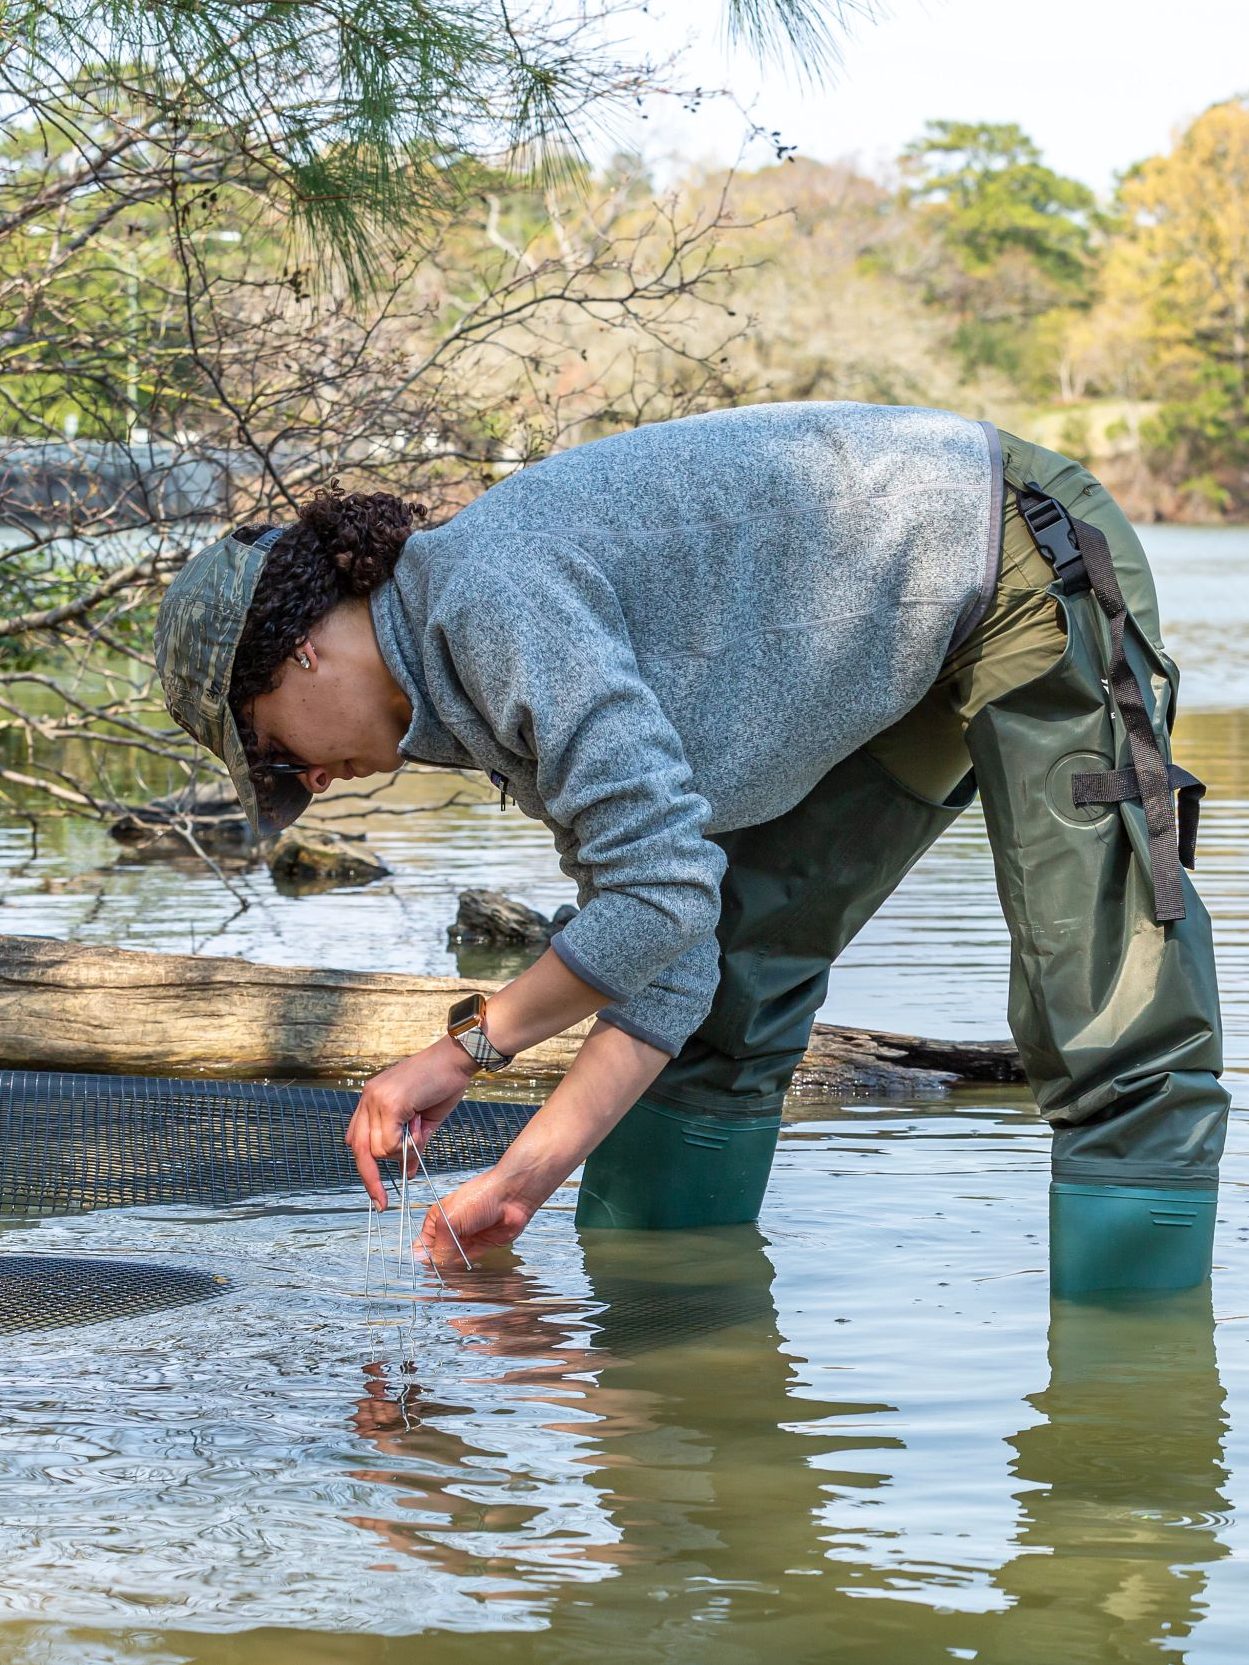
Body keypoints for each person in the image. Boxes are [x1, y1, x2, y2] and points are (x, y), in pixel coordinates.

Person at [154, 402, 1229, 1295]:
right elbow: (673, 951)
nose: (306, 785)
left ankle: (1125, 1476)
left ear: (295, 658)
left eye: (274, 759)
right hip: (877, 637)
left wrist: (466, 1048)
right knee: (730, 1005)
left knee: (1109, 1023)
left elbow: (659, 895)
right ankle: (682, 1443)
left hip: (1010, 559)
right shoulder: (459, 696)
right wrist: (528, 1176)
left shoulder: (486, 602)